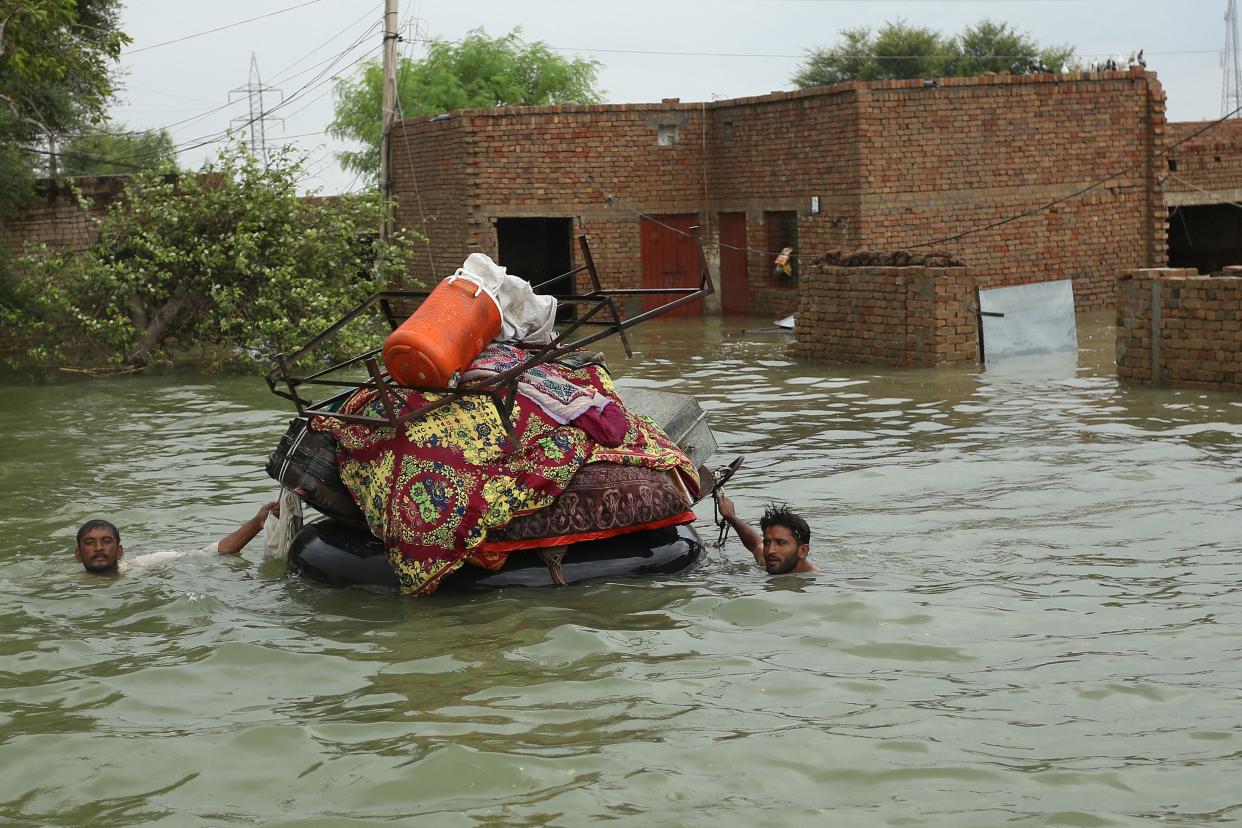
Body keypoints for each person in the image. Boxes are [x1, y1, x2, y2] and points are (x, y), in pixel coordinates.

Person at [75, 501, 280, 574]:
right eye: (90, 543)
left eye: (106, 541)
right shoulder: (67, 584)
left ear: (119, 551)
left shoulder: (144, 565)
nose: (99, 548)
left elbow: (214, 552)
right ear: (78, 554)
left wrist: (258, 522)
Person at [716, 494, 817, 575]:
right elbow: (756, 545)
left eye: (781, 543)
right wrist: (731, 517)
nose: (770, 551)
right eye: (767, 542)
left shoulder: (821, 580)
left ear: (803, 551)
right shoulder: (775, 561)